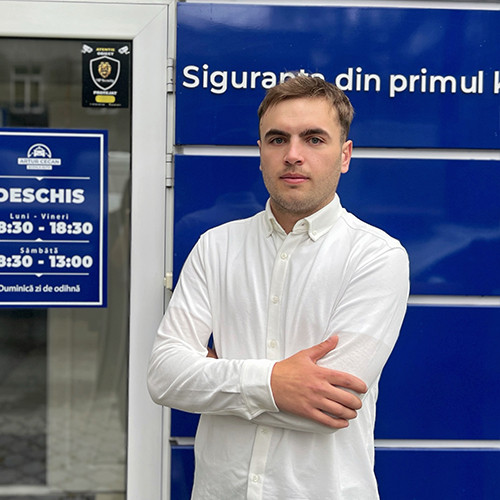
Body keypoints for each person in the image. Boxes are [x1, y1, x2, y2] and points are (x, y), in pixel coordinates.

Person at [148, 76, 409, 499]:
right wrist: (275, 383)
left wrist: (216, 377)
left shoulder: (376, 256)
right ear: (260, 153)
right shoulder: (216, 246)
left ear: (344, 155)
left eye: (314, 139)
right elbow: (164, 376)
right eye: (277, 139)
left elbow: (332, 404)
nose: (293, 155)